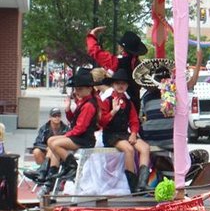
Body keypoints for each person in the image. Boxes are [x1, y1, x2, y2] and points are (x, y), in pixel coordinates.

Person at [39, 68, 100, 197]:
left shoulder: (89, 104)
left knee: (54, 143)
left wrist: (66, 135)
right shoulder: (83, 102)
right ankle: (48, 176)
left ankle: (71, 167)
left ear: (89, 88)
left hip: (84, 139)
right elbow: (74, 121)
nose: (77, 91)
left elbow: (81, 128)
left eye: (80, 88)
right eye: (76, 88)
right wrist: (68, 109)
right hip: (79, 136)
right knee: (51, 142)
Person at [99, 69, 151, 193]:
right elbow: (101, 122)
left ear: (127, 86)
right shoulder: (106, 101)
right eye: (118, 83)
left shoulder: (128, 102)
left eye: (123, 83)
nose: (121, 86)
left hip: (124, 133)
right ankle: (133, 186)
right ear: (113, 85)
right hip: (110, 134)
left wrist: (133, 133)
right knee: (129, 149)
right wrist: (114, 111)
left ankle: (142, 183)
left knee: (145, 148)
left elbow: (134, 121)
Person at [86, 26, 147, 113]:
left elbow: (95, 52)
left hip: (120, 107)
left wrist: (92, 35)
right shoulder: (140, 66)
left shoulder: (116, 62)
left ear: (122, 48)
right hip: (135, 105)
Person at [23, 107, 69, 183]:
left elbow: (68, 143)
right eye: (54, 116)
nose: (57, 118)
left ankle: (42, 173)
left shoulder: (66, 129)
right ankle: (44, 173)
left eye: (59, 116)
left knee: (53, 147)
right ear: (50, 117)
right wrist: (46, 148)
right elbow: (37, 143)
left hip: (60, 153)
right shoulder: (44, 128)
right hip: (47, 151)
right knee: (37, 151)